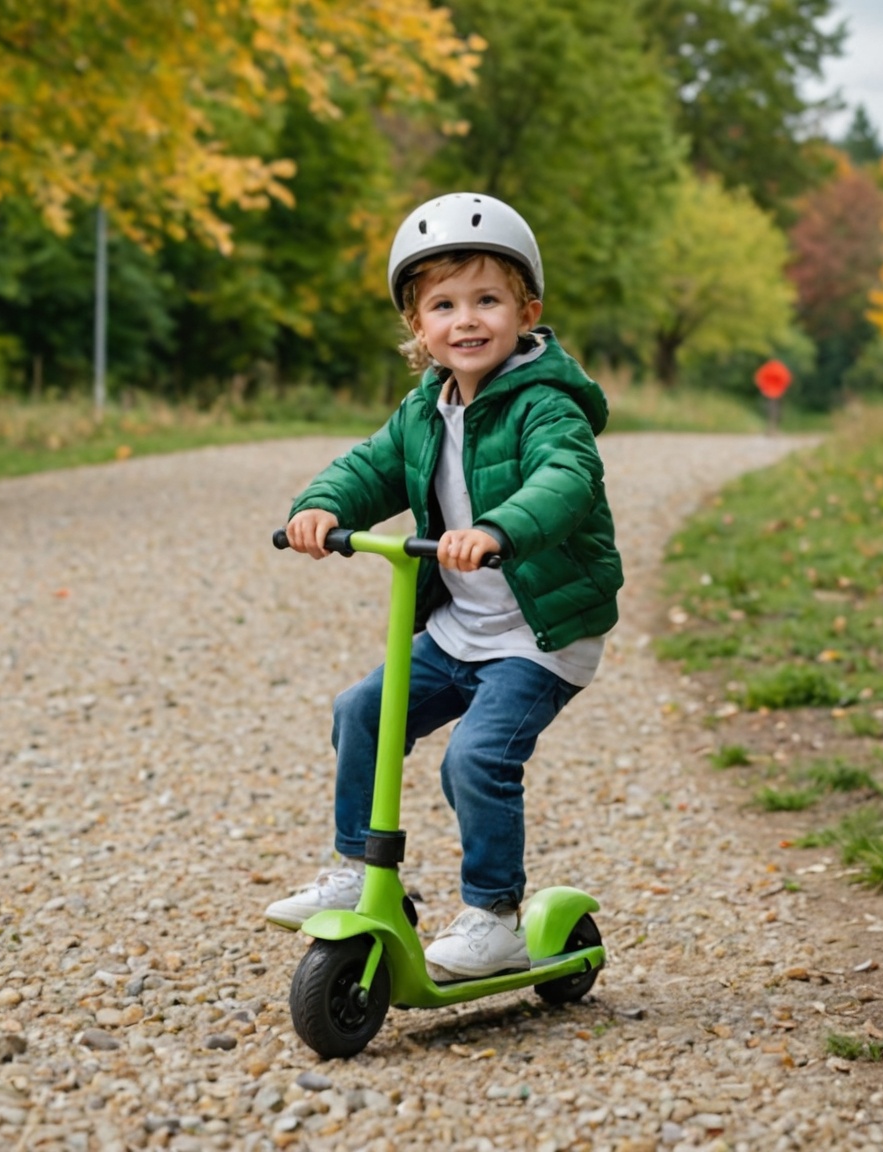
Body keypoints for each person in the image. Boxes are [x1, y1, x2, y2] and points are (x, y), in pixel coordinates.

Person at [266, 193, 621, 981]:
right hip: (462, 631)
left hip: (537, 637)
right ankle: (362, 872)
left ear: (527, 310)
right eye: (444, 305)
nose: (467, 320)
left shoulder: (546, 406)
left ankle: (495, 915)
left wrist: (498, 529)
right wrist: (320, 508)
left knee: (476, 757)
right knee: (363, 710)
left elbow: (567, 479)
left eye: (487, 300)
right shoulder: (425, 408)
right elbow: (371, 465)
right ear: (417, 326)